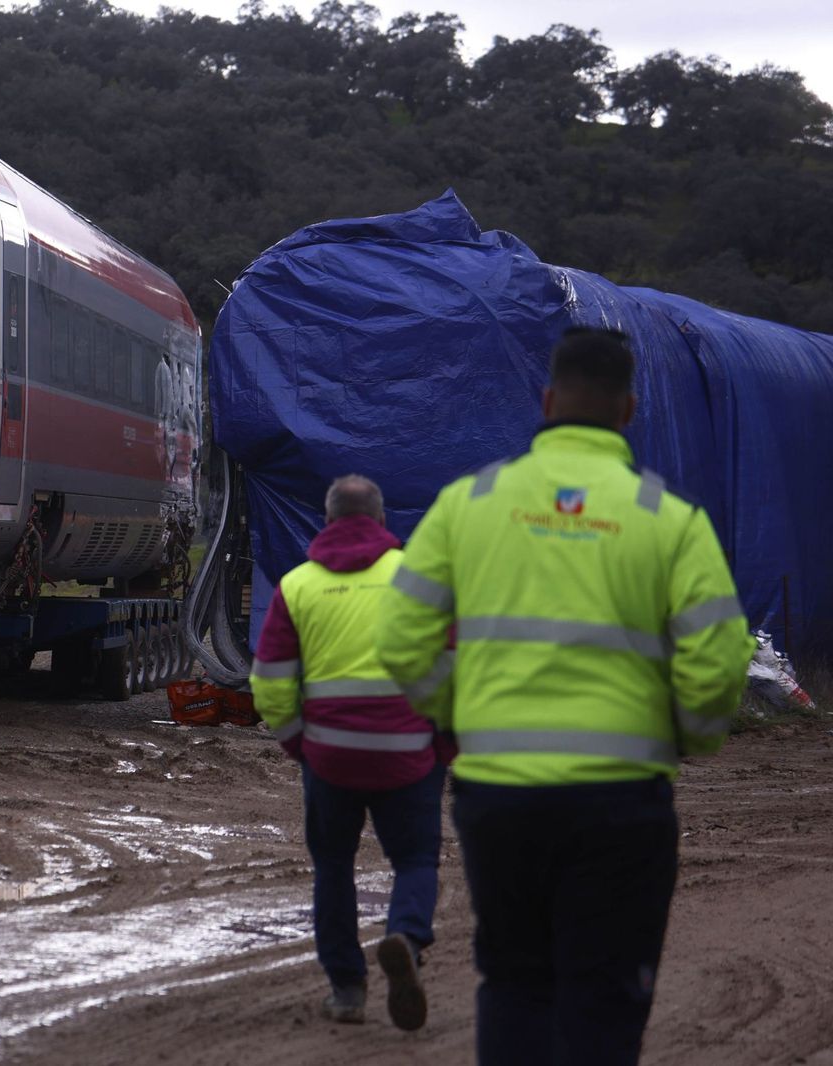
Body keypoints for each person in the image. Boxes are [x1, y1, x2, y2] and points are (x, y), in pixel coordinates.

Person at [377, 328, 753, 1065]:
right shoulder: (670, 520)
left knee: (515, 982)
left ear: (547, 402)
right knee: (605, 993)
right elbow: (716, 662)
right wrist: (690, 735)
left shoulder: (468, 503)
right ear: (630, 410)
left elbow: (399, 638)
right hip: (621, 802)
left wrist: (456, 711)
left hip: (499, 797)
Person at [250, 474, 444, 1031]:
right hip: (408, 752)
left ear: (328, 522)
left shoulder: (298, 586)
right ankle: (405, 935)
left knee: (333, 866)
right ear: (382, 523)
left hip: (329, 756)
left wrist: (297, 741)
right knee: (414, 860)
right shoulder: (418, 580)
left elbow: (270, 681)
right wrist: (445, 742)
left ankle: (347, 990)